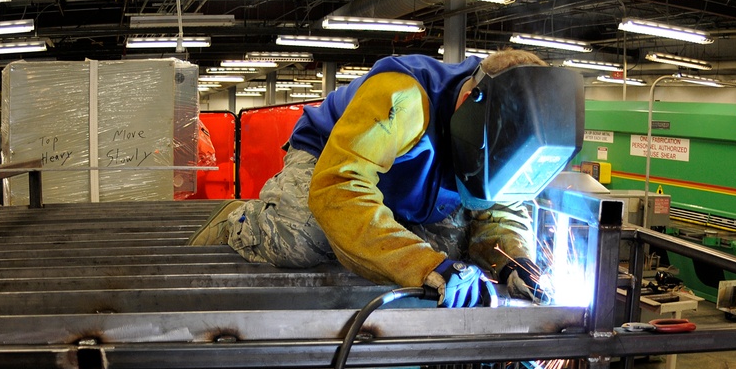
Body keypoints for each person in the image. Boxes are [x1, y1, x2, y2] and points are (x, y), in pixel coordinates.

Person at [188, 49, 583, 307]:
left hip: (417, 190)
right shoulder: (402, 98)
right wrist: (422, 263)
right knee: (303, 237)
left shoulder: (508, 137)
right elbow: (340, 188)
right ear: (467, 104)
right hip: (330, 161)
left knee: (459, 261)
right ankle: (240, 221)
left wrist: (516, 263)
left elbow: (500, 211)